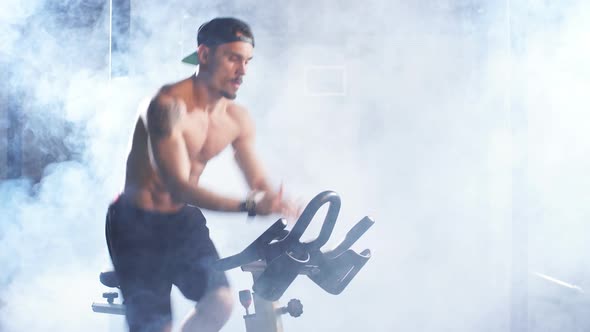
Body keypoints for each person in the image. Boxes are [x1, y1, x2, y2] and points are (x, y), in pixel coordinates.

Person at [105, 17, 298, 332]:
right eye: (233, 58)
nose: (242, 71)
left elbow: (258, 183)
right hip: (135, 223)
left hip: (181, 220)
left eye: (247, 61)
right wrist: (248, 205)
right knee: (156, 327)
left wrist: (274, 199)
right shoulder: (166, 105)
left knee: (220, 303)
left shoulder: (236, 118)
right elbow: (178, 185)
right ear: (205, 55)